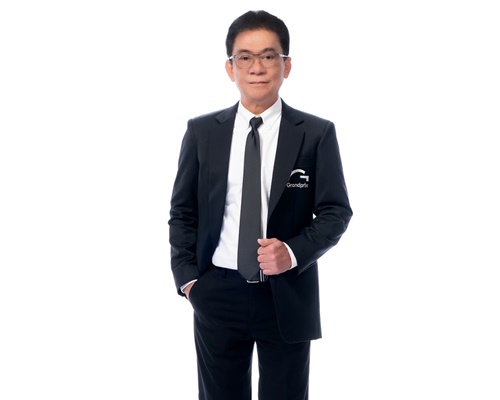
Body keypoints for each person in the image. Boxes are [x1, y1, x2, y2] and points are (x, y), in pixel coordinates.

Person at [169, 10, 352, 400]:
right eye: (245, 57)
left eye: (269, 56)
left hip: (287, 293)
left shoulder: (316, 133)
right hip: (216, 291)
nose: (257, 67)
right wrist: (189, 281)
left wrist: (292, 252)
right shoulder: (202, 132)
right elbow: (183, 212)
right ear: (230, 67)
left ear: (287, 66)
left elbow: (336, 211)